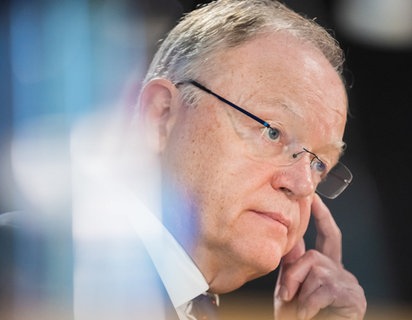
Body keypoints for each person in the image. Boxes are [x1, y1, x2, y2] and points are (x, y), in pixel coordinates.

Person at [1, 0, 366, 319]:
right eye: (272, 131)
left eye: (320, 164)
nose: (302, 184)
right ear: (161, 115)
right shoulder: (33, 267)